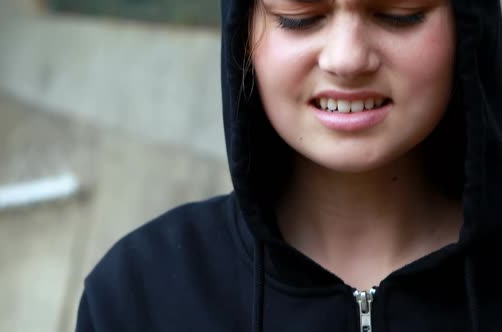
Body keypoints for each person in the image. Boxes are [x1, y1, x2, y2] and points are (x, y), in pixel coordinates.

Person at [75, 0, 502, 331]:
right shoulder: (136, 293)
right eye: (300, 16)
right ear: (243, 29)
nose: (347, 59)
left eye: (398, 13)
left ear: (468, 22)